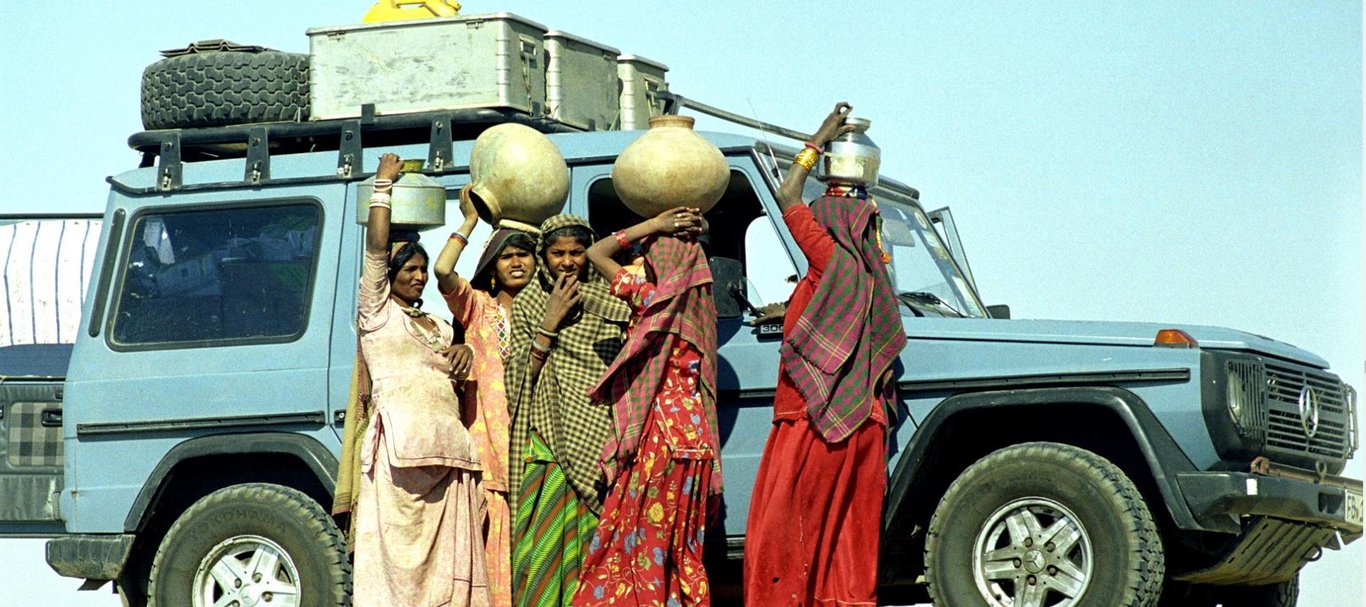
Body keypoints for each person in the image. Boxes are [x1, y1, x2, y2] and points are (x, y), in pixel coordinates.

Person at [743, 103, 908, 607]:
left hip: (814, 421)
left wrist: (819, 136)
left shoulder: (827, 258)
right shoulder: (874, 280)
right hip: (867, 422)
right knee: (851, 539)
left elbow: (787, 195)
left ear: (829, 223)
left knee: (792, 533)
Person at [354, 152, 489, 607]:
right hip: (401, 457)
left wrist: (466, 352)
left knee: (449, 569)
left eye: (421, 270)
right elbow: (376, 250)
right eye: (409, 270)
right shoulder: (377, 315)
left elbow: (464, 365)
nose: (418, 277)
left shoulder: (440, 325)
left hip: (450, 453)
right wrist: (383, 185)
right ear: (390, 276)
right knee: (398, 564)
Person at [571, 206, 722, 607]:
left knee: (641, 531)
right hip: (696, 436)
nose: (640, 262)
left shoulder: (652, 300)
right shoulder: (703, 312)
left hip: (657, 433)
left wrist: (653, 225)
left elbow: (596, 253)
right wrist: (696, 228)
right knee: (682, 540)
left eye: (647, 257)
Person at [505, 214, 630, 607]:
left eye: (577, 252)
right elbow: (518, 377)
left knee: (596, 543)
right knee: (542, 545)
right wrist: (550, 322)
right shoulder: (529, 303)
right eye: (558, 253)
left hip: (602, 433)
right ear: (544, 256)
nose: (568, 262)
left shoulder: (614, 299)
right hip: (547, 439)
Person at [434, 185, 541, 607]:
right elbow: (443, 271)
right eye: (507, 256)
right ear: (492, 268)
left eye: (524, 254)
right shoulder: (478, 307)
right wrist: (468, 222)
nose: (517, 262)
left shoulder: (549, 309)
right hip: (489, 452)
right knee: (493, 545)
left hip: (536, 447)